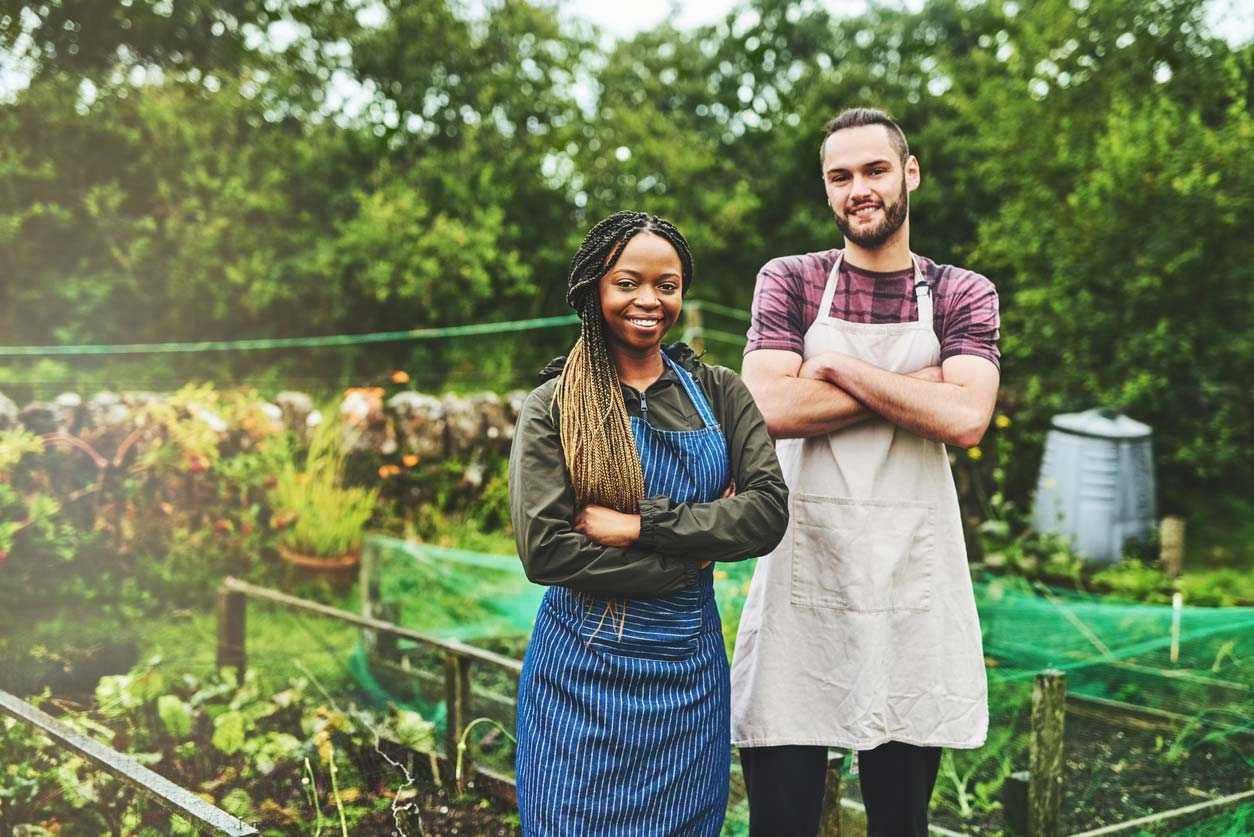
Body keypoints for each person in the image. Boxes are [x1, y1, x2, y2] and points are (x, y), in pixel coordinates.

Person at [729, 107, 1000, 837]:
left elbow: (967, 420)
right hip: (802, 577)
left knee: (900, 825)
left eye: (875, 169)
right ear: (826, 190)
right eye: (840, 175)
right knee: (779, 825)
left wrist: (841, 367)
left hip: (913, 588)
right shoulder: (789, 279)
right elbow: (764, 405)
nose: (860, 188)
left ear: (909, 174)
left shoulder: (961, 292)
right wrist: (921, 385)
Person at [509, 210, 789, 835]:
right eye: (628, 282)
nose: (649, 300)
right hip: (577, 680)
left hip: (688, 682)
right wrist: (686, 558)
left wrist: (641, 527)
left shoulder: (719, 392)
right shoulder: (555, 404)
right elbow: (547, 551)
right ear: (594, 291)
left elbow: (767, 511)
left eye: (667, 285)